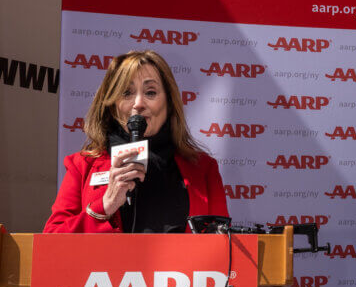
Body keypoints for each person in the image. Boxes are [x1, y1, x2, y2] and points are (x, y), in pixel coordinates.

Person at [45, 50, 227, 233]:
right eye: (126, 93)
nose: (138, 103)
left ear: (169, 103)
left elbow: (223, 247)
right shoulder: (82, 165)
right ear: (111, 105)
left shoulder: (203, 169)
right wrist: (105, 205)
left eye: (150, 92)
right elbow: (51, 242)